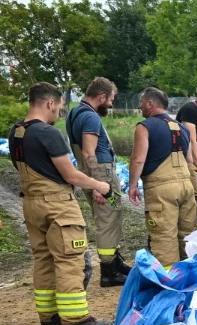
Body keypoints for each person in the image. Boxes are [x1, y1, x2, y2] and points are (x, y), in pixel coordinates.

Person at [8, 82, 115, 325]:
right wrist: (101, 185)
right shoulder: (47, 133)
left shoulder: (16, 132)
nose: (59, 113)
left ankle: (49, 316)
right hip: (57, 205)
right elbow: (71, 175)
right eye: (59, 108)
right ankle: (76, 319)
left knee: (43, 259)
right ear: (49, 103)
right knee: (70, 259)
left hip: (31, 203)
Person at [66, 76, 131, 287]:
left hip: (93, 173)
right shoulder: (91, 117)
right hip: (101, 174)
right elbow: (88, 152)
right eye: (111, 98)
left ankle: (115, 261)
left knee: (109, 217)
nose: (111, 103)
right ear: (101, 96)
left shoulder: (74, 113)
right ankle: (109, 271)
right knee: (108, 219)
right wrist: (97, 186)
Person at [127, 87, 197, 267]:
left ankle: (168, 283)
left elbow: (138, 159)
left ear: (150, 104)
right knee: (187, 235)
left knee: (164, 236)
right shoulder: (182, 128)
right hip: (186, 186)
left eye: (142, 102)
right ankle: (189, 276)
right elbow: (190, 160)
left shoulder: (145, 126)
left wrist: (133, 184)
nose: (140, 106)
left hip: (161, 189)